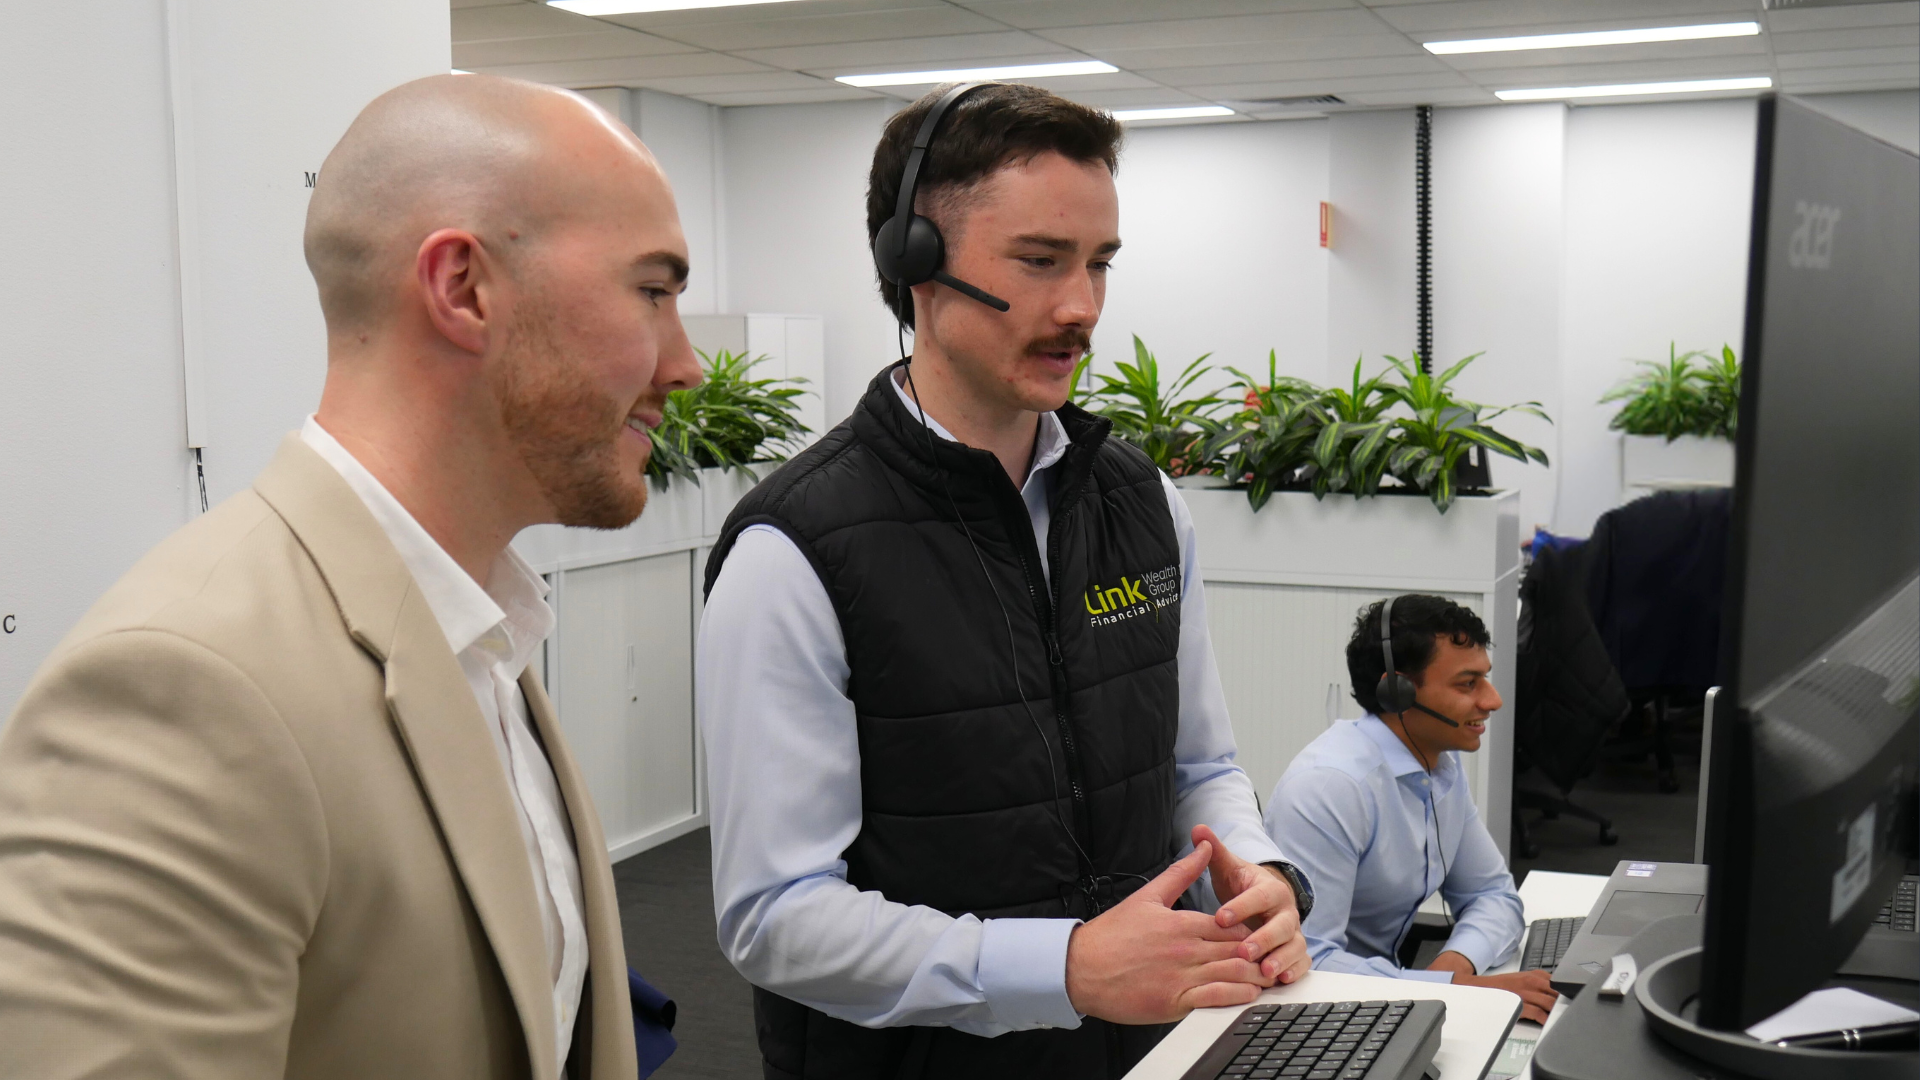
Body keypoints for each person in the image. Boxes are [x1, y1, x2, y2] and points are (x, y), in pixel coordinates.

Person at [0, 74, 702, 1078]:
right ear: (463, 288)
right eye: (653, 290)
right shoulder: (186, 686)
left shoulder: (484, 632)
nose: (686, 364)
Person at [696, 82, 1314, 1080]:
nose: (1081, 307)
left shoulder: (1142, 502)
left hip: (1150, 1050)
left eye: (1099, 264)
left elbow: (1199, 769)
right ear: (915, 267)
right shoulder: (795, 547)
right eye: (1038, 262)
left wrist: (1258, 873)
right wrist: (1061, 967)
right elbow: (776, 918)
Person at [1263, 595, 1560, 1023]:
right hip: (1316, 1016)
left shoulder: (1439, 762)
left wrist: (1453, 970)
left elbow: (1492, 894)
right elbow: (1307, 960)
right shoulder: (1331, 787)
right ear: (1397, 691)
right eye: (1467, 684)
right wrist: (1453, 992)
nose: (1492, 701)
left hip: (1387, 998)